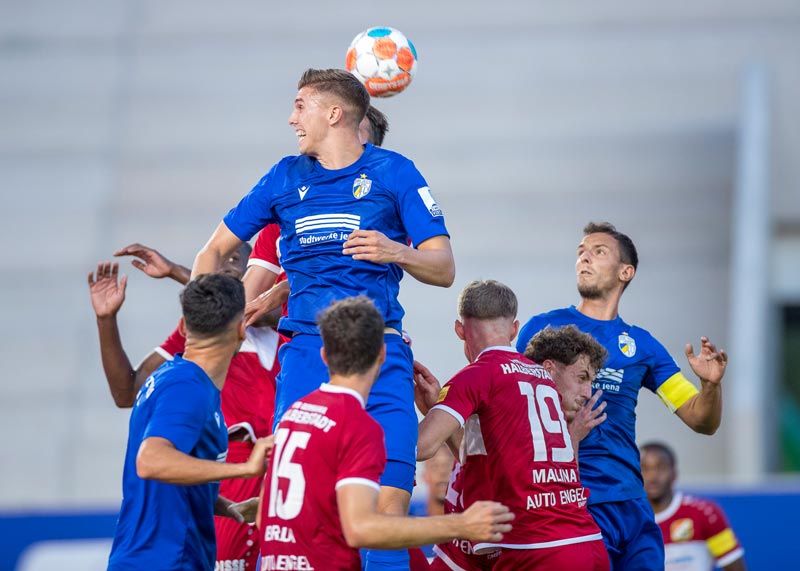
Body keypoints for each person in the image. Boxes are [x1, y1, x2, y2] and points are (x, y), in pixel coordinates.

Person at [192, 69, 454, 570]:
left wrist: (395, 249)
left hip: (382, 355)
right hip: (309, 355)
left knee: (387, 509)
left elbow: (443, 268)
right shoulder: (283, 177)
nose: (291, 118)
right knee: (299, 508)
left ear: (333, 114)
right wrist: (211, 333)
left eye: (299, 106)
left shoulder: (395, 172)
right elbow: (214, 252)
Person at [515, 222, 729, 570]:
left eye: (598, 252)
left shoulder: (642, 346)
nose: (584, 257)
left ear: (625, 272)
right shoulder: (542, 329)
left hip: (632, 504)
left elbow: (701, 420)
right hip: (571, 500)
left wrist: (710, 386)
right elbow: (509, 401)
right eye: (581, 252)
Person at [258, 296, 513, 571]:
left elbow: (263, 517)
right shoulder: (359, 425)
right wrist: (461, 525)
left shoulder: (295, 414)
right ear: (382, 354)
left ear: (324, 355)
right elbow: (361, 528)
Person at [88, 242, 281, 570]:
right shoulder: (187, 388)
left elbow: (174, 473)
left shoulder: (177, 378)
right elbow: (151, 460)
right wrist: (243, 468)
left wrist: (228, 507)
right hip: (166, 560)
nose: (227, 266)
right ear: (240, 327)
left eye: (237, 261)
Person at [417, 280, 609, 570]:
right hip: (589, 542)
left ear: (460, 330)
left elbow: (421, 447)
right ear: (514, 329)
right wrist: (437, 407)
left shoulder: (475, 376)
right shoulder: (543, 379)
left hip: (535, 549)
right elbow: (487, 461)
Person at [640, 442, 746, 571]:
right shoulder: (629, 522)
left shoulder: (705, 513)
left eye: (661, 468)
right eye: (644, 469)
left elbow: (735, 566)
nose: (653, 476)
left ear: (674, 473)